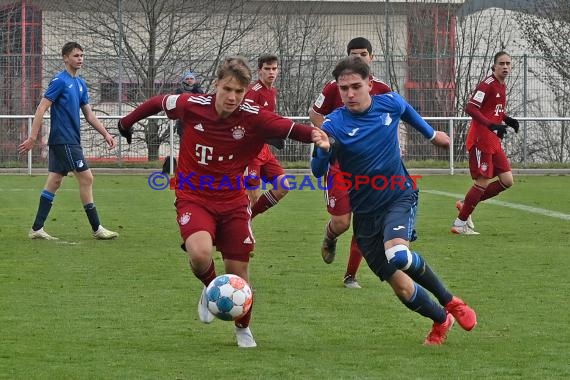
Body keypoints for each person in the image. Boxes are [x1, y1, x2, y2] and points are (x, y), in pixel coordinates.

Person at [117, 56, 325, 348]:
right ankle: (211, 288)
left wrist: (317, 135)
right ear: (217, 85)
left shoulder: (252, 116)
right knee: (200, 254)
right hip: (194, 195)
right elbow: (157, 102)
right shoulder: (193, 104)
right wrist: (126, 122)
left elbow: (289, 129)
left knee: (238, 273)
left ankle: (243, 329)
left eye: (239, 92)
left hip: (233, 201)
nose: (232, 97)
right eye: (227, 89)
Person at [311, 56, 477, 345]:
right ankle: (441, 320)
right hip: (365, 214)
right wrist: (324, 150)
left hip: (398, 196)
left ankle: (452, 302)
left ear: (370, 85)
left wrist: (430, 134)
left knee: (398, 255)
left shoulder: (389, 103)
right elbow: (316, 170)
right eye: (343, 88)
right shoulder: (334, 124)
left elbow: (406, 111)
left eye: (355, 86)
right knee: (400, 287)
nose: (349, 94)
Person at [309, 37, 391, 289]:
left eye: (363, 54)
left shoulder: (383, 89)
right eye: (354, 54)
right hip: (338, 165)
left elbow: (394, 117)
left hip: (370, 166)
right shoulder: (334, 86)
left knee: (365, 221)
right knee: (343, 222)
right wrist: (331, 138)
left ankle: (350, 275)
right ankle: (331, 235)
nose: (359, 58)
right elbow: (314, 113)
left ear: (371, 57)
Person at [17, 41, 118, 241]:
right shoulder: (60, 81)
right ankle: (97, 228)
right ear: (65, 58)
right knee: (87, 178)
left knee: (54, 181)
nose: (80, 59)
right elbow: (41, 108)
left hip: (69, 140)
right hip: (64, 140)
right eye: (76, 55)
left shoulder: (80, 84)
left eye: (82, 55)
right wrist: (32, 137)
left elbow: (89, 114)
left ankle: (37, 228)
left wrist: (105, 134)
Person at [452, 51, 519, 235]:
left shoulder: (502, 86)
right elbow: (471, 107)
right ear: (494, 66)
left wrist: (507, 119)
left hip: (493, 141)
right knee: (482, 182)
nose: (505, 66)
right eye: (501, 63)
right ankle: (460, 223)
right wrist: (490, 125)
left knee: (507, 181)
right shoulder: (487, 85)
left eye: (508, 63)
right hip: (481, 139)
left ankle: (465, 204)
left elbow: (493, 111)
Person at [244, 54, 289, 218]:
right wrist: (269, 136)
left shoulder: (272, 91)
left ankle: (244, 222)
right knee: (253, 197)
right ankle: (242, 227)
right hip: (251, 152)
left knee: (283, 186)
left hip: (264, 150)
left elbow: (267, 120)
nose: (271, 72)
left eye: (274, 69)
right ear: (259, 71)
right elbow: (245, 122)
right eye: (267, 69)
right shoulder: (253, 92)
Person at [162, 70, 205, 174]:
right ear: (184, 80)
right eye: (187, 78)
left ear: (195, 80)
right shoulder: (178, 91)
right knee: (184, 146)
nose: (189, 80)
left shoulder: (199, 91)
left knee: (196, 147)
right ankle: (184, 169)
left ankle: (196, 169)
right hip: (183, 122)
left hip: (196, 123)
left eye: (191, 78)